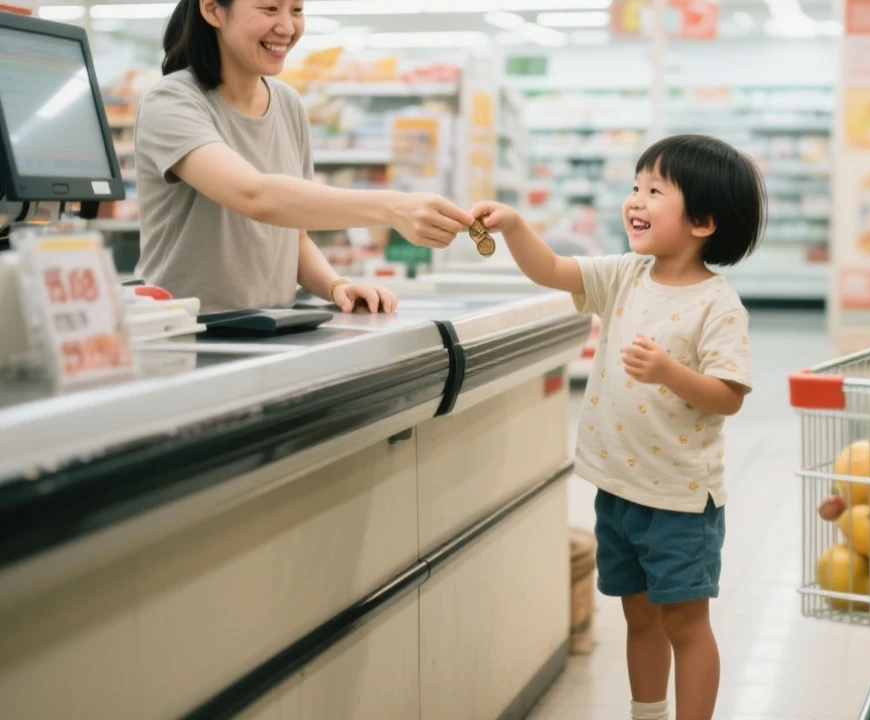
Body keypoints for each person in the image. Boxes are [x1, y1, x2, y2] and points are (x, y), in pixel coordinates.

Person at [472, 134, 765, 720]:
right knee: (638, 616)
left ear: (703, 221)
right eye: (636, 186)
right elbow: (552, 269)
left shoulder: (718, 305)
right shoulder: (624, 274)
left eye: (655, 191)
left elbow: (728, 396)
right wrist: (515, 228)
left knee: (686, 623)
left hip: (680, 499)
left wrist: (667, 371)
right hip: (619, 489)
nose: (635, 199)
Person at [133, 0, 475, 314]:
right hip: (184, 330)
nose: (287, 27)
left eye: (296, 10)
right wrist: (393, 207)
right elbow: (254, 195)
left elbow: (294, 237)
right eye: (269, 9)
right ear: (213, 10)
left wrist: (336, 286)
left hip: (271, 329)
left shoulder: (288, 103)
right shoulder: (171, 101)